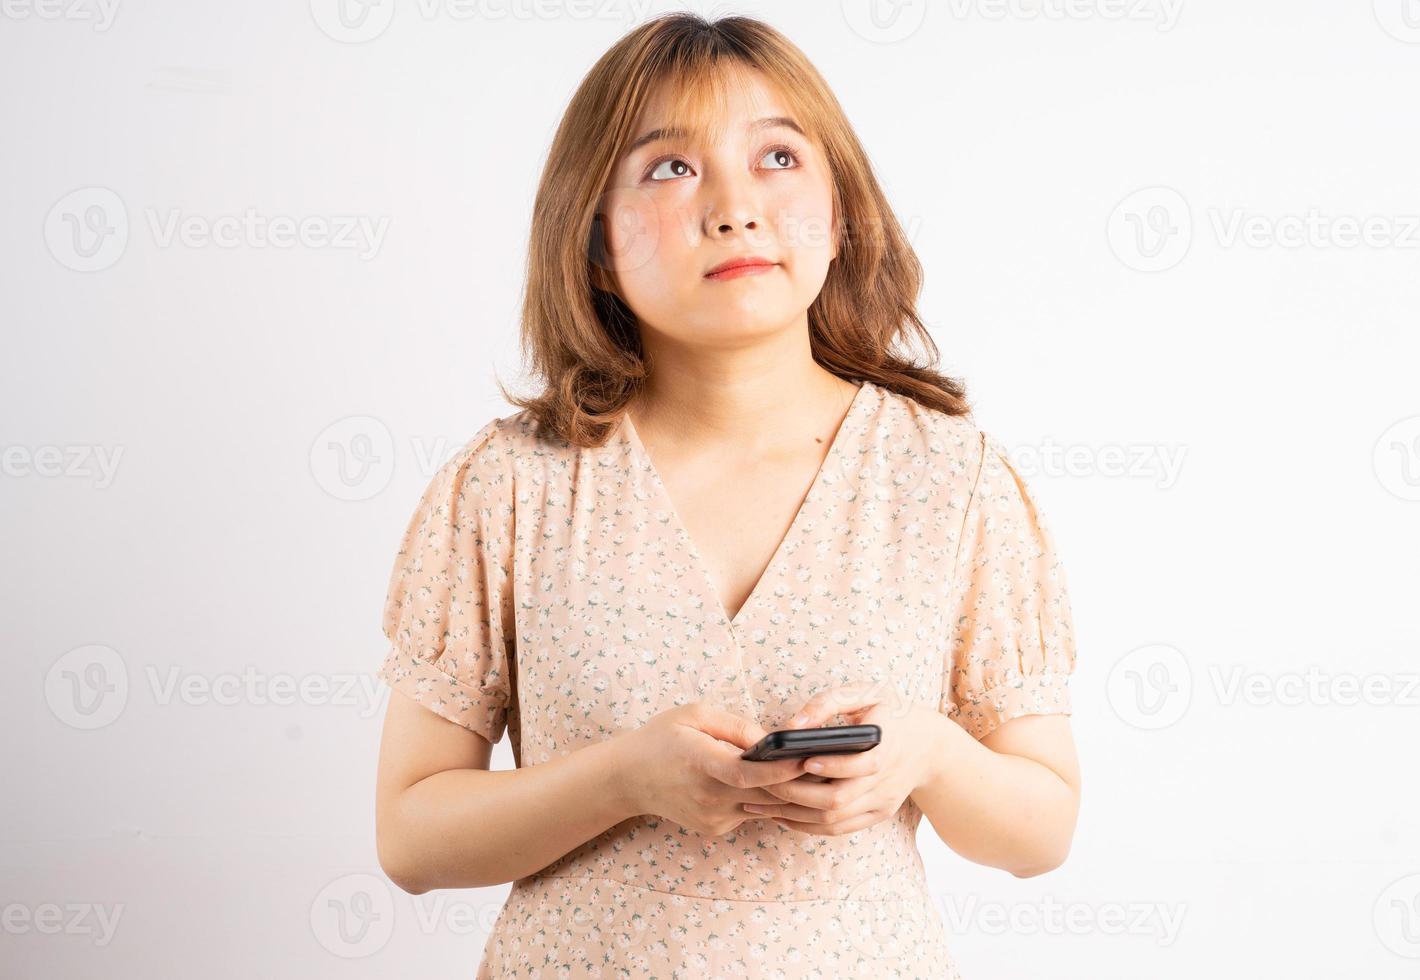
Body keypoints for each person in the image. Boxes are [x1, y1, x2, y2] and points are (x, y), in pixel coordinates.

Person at [374, 12, 1080, 977]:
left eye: (779, 158)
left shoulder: (950, 482)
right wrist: (623, 779)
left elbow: (1042, 830)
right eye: (671, 168)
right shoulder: (510, 487)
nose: (735, 207)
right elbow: (411, 837)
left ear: (840, 213)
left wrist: (930, 755)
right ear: (592, 240)